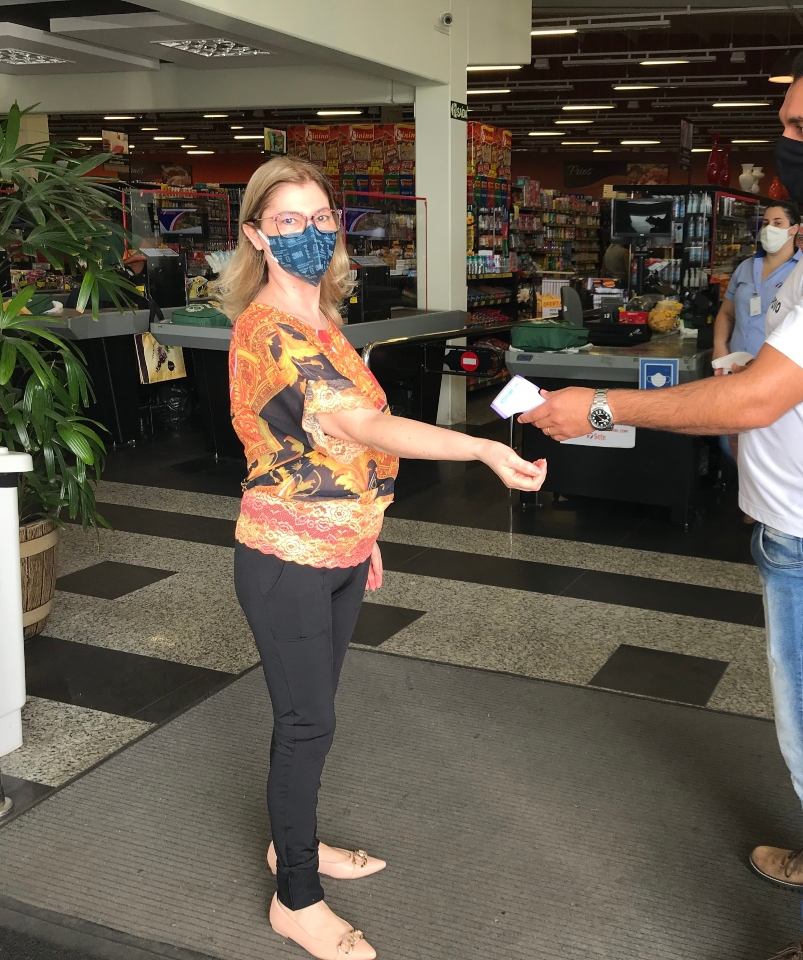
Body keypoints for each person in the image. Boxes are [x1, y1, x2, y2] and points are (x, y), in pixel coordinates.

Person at [521, 42, 803, 960]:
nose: (783, 145)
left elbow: (755, 401)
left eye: (801, 127)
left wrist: (602, 407)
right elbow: (793, 384)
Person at [223, 156, 546, 960]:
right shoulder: (269, 331)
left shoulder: (323, 318)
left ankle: (291, 846)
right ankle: (296, 899)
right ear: (257, 235)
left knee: (313, 718)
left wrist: (365, 536)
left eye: (320, 216)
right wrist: (479, 446)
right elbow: (360, 428)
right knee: (307, 724)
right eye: (288, 220)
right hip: (288, 558)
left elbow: (337, 455)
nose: (308, 233)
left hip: (337, 550)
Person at [713, 200, 803, 516]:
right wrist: (719, 346)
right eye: (766, 222)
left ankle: (765, 504)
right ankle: (751, 495)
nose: (770, 229)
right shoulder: (745, 268)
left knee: (771, 435)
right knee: (731, 436)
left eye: (778, 223)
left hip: (776, 369)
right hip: (736, 364)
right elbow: (726, 313)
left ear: (794, 229)